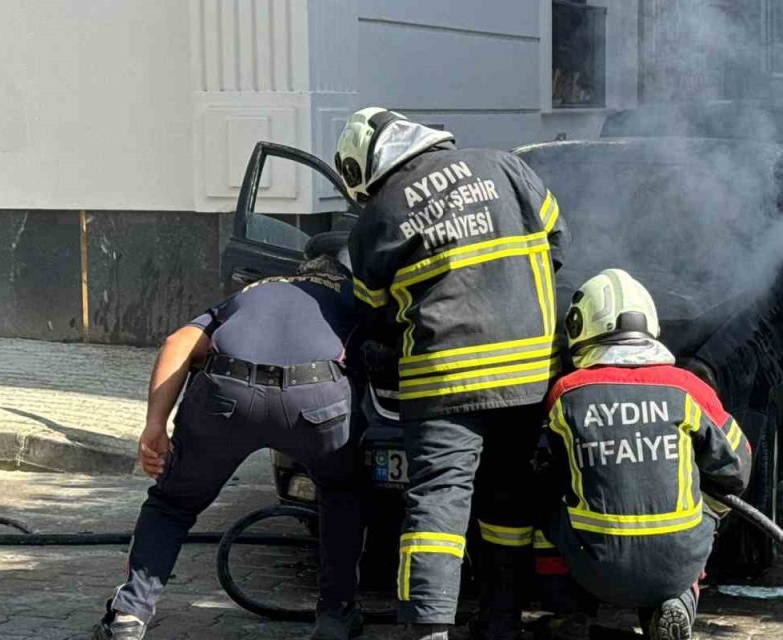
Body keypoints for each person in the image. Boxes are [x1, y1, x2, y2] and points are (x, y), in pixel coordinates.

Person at [334, 108, 569, 640]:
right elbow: (557, 244)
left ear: (367, 170)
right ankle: (501, 622)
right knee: (507, 498)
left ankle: (428, 631)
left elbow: (372, 314)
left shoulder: (379, 216)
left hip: (443, 381)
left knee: (438, 503)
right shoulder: (508, 167)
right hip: (528, 375)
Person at [81, 253, 367, 640]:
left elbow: (178, 342)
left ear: (296, 274)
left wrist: (154, 426)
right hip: (316, 398)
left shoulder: (254, 291)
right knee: (340, 494)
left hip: (226, 391)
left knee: (172, 504)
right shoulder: (353, 295)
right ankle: (335, 616)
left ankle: (128, 617)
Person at [531, 269, 753, 640]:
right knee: (692, 524)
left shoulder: (568, 393)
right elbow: (738, 466)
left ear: (579, 326)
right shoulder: (689, 388)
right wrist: (706, 513)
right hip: (677, 565)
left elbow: (544, 472)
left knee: (546, 510)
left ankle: (568, 614)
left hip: (595, 566)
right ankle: (676, 604)